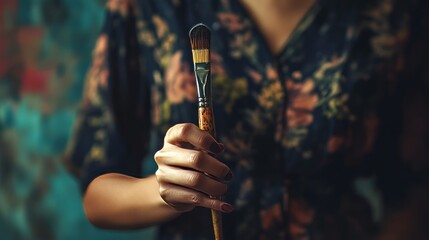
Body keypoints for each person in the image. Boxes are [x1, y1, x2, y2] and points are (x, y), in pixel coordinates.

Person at [65, 0, 429, 239]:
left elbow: (411, 191)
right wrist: (166, 192)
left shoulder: (394, 16)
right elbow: (97, 195)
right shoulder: (150, 7)